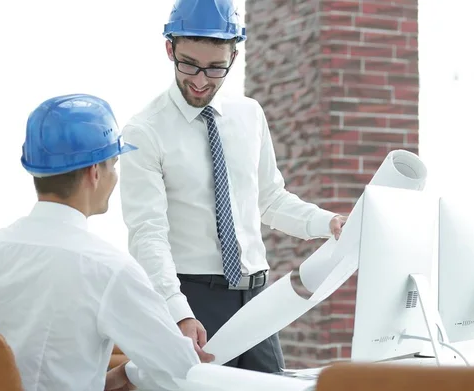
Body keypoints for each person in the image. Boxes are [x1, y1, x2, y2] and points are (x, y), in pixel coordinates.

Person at [119, 0, 347, 374]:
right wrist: (178, 312)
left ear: (234, 57)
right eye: (188, 63)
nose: (200, 79)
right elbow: (148, 235)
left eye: (214, 67)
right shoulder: (145, 131)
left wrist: (329, 222)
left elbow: (270, 200)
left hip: (256, 298)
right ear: (169, 49)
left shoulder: (249, 114)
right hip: (193, 298)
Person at [0, 94, 212, 391]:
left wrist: (108, 380)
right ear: (94, 173)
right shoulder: (108, 269)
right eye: (113, 165)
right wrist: (135, 370)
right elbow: (181, 371)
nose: (115, 177)